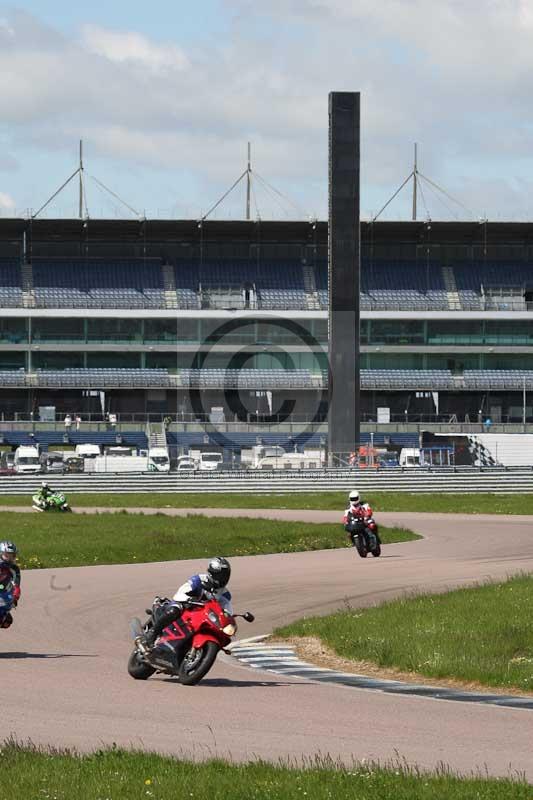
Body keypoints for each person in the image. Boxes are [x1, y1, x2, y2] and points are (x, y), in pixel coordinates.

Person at [136, 556, 232, 654]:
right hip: (186, 606)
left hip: (202, 616)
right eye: (220, 576)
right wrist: (187, 599)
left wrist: (228, 619)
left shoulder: (225, 594)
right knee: (175, 609)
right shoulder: (199, 579)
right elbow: (182, 591)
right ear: (212, 573)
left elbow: (227, 611)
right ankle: (152, 633)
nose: (222, 578)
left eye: (225, 576)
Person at [0, 541, 21, 629]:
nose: (9, 558)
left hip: (4, 594)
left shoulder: (14, 569)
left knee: (7, 622)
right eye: (7, 555)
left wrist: (15, 596)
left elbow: (16, 584)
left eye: (12, 556)